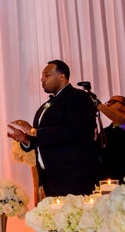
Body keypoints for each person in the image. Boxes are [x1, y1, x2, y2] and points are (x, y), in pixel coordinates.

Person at [7, 60, 100, 196]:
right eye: (42, 76)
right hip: (52, 177)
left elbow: (72, 131)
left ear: (62, 76)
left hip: (74, 176)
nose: (42, 79)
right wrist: (26, 139)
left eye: (47, 75)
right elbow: (47, 138)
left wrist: (33, 131)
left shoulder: (78, 97)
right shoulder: (50, 103)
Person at [93, 94, 125, 182]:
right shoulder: (105, 131)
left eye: (113, 102)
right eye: (107, 103)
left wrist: (97, 104)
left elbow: (121, 120)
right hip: (108, 180)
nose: (108, 104)